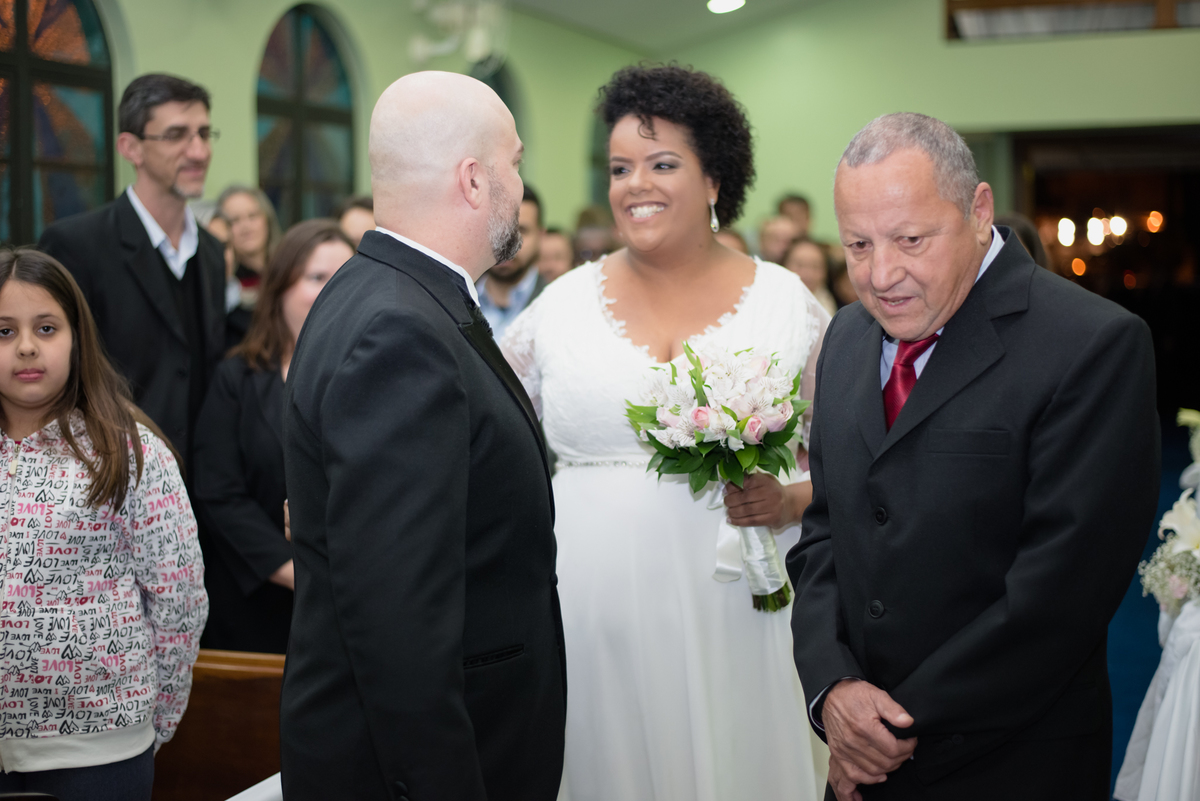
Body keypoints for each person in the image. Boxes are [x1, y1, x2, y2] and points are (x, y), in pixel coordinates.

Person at [787, 112, 1160, 799]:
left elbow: (1059, 593)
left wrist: (885, 729)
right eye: (858, 244)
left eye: (910, 239)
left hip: (1010, 757)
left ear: (978, 210)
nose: (880, 274)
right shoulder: (844, 336)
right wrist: (834, 688)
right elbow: (825, 532)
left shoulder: (1092, 344)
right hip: (860, 758)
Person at [502, 64, 827, 801]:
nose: (635, 183)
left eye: (662, 163)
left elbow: (861, 455)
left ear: (715, 179)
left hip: (736, 610)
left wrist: (790, 500)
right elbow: (478, 430)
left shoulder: (784, 301)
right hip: (589, 610)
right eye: (620, 167)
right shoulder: (559, 305)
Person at [280, 71, 566, 800]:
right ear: (474, 179)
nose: (520, 186)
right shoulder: (400, 329)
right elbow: (398, 618)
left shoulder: (376, 291)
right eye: (515, 161)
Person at [0, 249, 207, 800]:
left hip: (100, 754)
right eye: (3, 330)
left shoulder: (130, 451)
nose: (25, 346)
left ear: (76, 336)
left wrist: (152, 724)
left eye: (46, 328)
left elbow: (179, 600)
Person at [38, 73, 226, 476]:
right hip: (108, 480)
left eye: (204, 134)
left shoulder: (211, 252)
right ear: (131, 148)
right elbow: (60, 383)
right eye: (177, 135)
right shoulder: (76, 245)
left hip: (199, 493)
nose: (199, 151)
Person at [193, 220, 353, 654]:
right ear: (280, 287)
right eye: (317, 278)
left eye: (345, 277)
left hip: (355, 609)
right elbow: (218, 493)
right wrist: (301, 574)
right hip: (256, 611)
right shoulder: (236, 380)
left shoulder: (375, 379)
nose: (333, 291)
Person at [476, 185, 546, 339]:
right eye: (497, 229)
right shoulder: (457, 298)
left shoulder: (557, 303)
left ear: (541, 236)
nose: (508, 243)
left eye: (521, 230)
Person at [784, 237, 838, 316]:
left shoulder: (828, 304)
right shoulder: (772, 300)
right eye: (800, 265)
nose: (807, 273)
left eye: (815, 266)